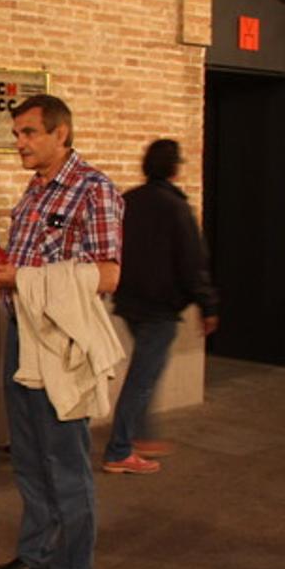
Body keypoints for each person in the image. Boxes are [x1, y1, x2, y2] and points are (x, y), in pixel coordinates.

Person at [0, 94, 124, 569]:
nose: (18, 142)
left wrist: (22, 278)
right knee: (28, 455)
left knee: (66, 462)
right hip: (21, 333)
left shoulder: (94, 190)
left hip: (61, 345)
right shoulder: (35, 189)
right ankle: (37, 555)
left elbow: (108, 276)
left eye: (28, 133)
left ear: (60, 134)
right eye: (16, 133)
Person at [102, 139, 219, 474]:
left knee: (144, 373)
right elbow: (193, 262)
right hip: (159, 308)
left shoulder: (128, 202)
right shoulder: (176, 208)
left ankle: (142, 434)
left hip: (130, 302)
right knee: (143, 377)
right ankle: (119, 450)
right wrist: (207, 304)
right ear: (174, 168)